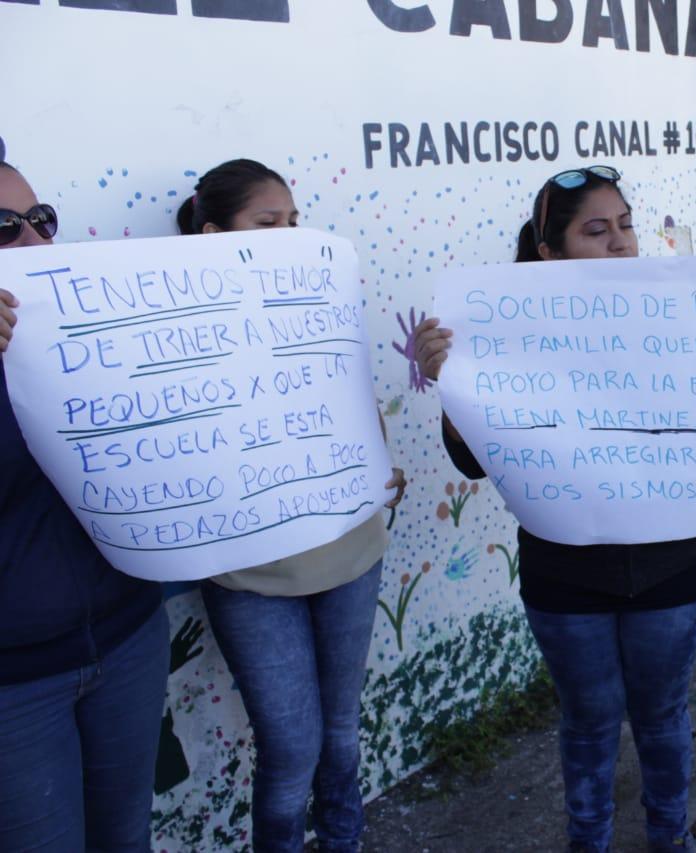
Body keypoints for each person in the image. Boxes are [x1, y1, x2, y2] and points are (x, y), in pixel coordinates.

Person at [413, 165, 696, 852]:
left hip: (674, 568)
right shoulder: (505, 329)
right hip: (564, 575)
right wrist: (450, 385)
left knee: (663, 716)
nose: (620, 242)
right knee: (588, 720)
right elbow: (475, 458)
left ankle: (670, 837)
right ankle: (590, 840)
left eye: (626, 224)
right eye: (596, 230)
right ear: (548, 252)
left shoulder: (683, 305)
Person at [180, 159, 407, 852]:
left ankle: (344, 841)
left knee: (340, 734)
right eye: (267, 222)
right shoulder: (176, 336)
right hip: (252, 577)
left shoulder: (322, 308)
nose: (289, 234)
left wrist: (374, 462)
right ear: (215, 234)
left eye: (294, 220)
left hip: (350, 552)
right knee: (292, 753)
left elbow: (358, 419)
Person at [0, 160, 169, 851]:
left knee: (127, 836)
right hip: (15, 683)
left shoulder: (82, 325)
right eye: (4, 230)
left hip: (129, 635)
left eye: (42, 220)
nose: (37, 244)